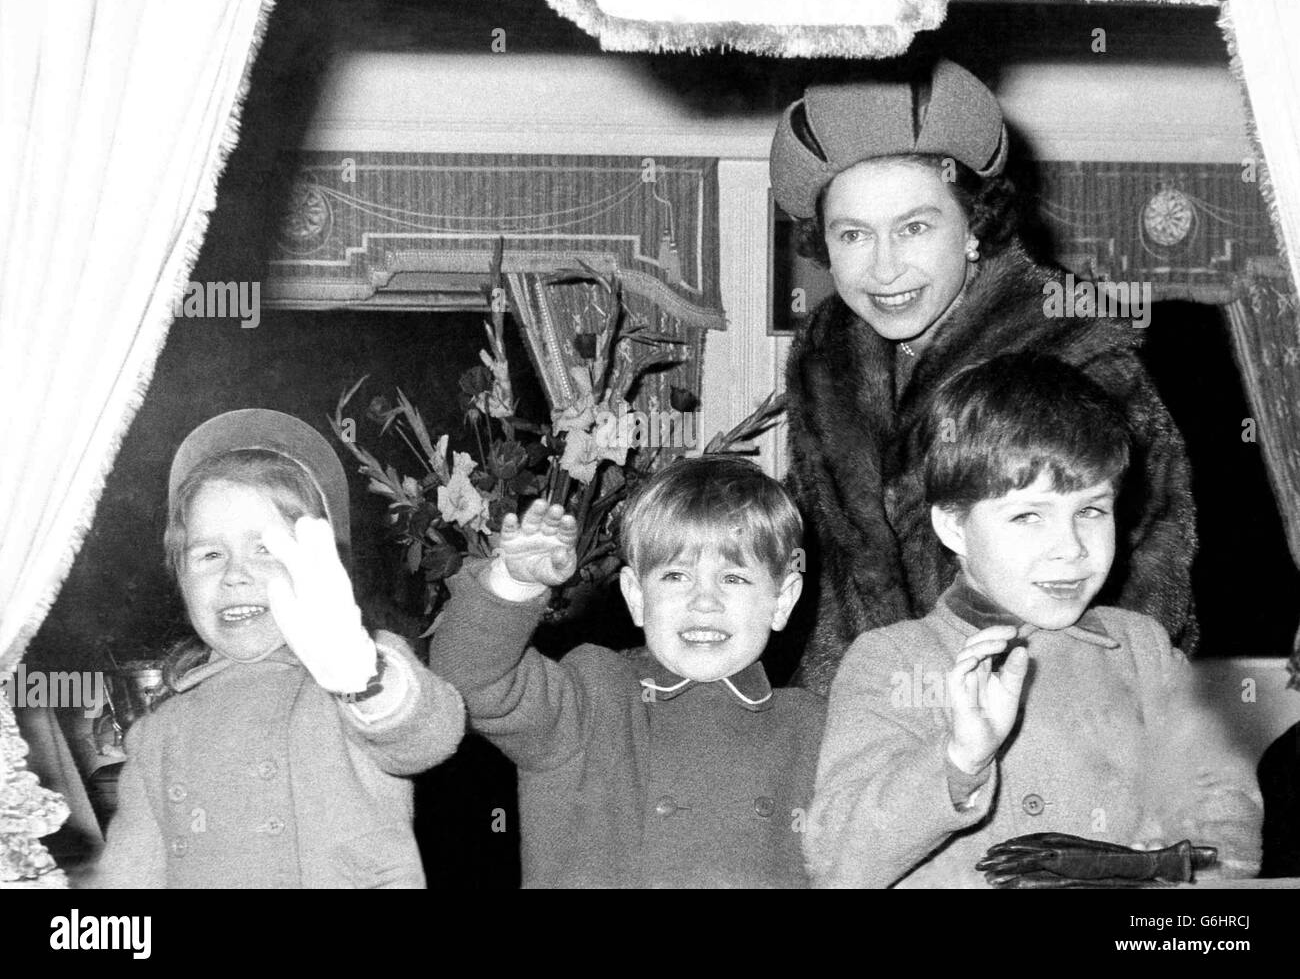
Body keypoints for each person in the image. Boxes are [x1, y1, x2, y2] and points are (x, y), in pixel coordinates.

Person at [771, 59, 1196, 695]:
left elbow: (1142, 574)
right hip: (867, 713)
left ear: (973, 226)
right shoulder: (823, 358)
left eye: (914, 227)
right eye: (854, 234)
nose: (884, 269)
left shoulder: (1072, 346)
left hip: (1040, 713)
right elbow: (813, 555)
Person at [805, 355, 1262, 888]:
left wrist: (1181, 872)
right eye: (1028, 516)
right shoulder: (893, 660)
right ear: (954, 527)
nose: (1070, 548)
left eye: (1091, 511)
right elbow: (836, 862)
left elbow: (1223, 800)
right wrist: (959, 759)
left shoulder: (1142, 649)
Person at [94, 409, 465, 888]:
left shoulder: (362, 671)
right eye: (208, 554)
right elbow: (123, 883)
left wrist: (364, 679)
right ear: (179, 579)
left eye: (265, 548)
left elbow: (428, 736)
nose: (234, 573)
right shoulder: (157, 735)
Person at [429, 456, 826, 887]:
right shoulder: (594, 698)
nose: (704, 602)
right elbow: (473, 682)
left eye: (733, 578)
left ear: (781, 601)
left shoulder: (814, 728)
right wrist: (513, 583)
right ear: (636, 597)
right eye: (676, 576)